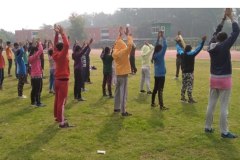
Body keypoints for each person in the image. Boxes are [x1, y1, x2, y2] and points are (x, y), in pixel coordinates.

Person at [205, 9, 239, 138]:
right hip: (225, 79)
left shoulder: (211, 46)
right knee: (224, 107)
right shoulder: (225, 46)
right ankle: (224, 131)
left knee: (211, 104)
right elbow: (236, 32)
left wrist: (223, 20)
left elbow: (215, 33)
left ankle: (208, 127)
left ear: (217, 38)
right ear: (225, 40)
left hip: (213, 78)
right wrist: (231, 17)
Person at [177, 35, 206, 103]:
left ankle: (182, 97)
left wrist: (178, 42)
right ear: (190, 49)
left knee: (184, 85)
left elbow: (178, 48)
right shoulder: (191, 54)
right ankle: (190, 99)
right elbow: (198, 49)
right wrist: (203, 41)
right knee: (190, 85)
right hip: (190, 73)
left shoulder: (182, 54)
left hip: (184, 72)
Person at [53, 24, 71, 128]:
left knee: (57, 99)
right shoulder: (62, 55)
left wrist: (56, 34)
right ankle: (62, 122)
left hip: (57, 80)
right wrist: (62, 33)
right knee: (62, 101)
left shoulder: (55, 54)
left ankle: (57, 116)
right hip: (63, 80)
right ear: (62, 49)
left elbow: (56, 44)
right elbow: (67, 45)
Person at [112, 26, 133, 116]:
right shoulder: (123, 52)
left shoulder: (115, 51)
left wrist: (120, 35)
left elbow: (117, 42)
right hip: (123, 74)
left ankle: (116, 108)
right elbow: (130, 45)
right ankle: (123, 111)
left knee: (117, 92)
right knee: (124, 93)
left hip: (118, 73)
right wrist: (128, 35)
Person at [151, 31, 168, 110]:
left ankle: (153, 103)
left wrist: (158, 38)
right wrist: (163, 36)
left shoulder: (155, 54)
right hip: (161, 75)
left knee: (155, 89)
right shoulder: (160, 54)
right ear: (160, 49)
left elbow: (156, 47)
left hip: (156, 75)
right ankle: (161, 106)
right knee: (160, 90)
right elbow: (165, 46)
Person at [28, 41, 45, 107]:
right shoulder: (33, 57)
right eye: (36, 51)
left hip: (37, 75)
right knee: (37, 89)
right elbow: (41, 50)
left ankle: (34, 102)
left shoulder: (34, 57)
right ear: (34, 51)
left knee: (36, 89)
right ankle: (37, 102)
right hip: (36, 76)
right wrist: (40, 43)